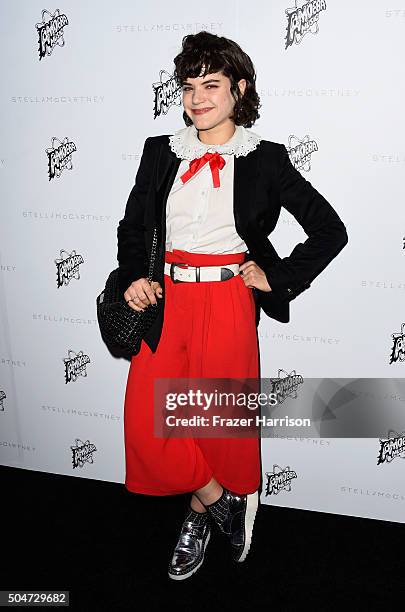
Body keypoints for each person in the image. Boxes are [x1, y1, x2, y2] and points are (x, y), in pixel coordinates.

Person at [116, 31, 348, 581]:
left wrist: (279, 277)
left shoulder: (266, 159)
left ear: (239, 90)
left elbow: (329, 230)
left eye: (211, 85)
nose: (197, 98)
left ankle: (197, 517)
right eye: (189, 86)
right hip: (166, 300)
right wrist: (131, 277)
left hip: (227, 299)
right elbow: (133, 226)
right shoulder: (160, 152)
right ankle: (223, 500)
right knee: (149, 422)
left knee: (214, 422)